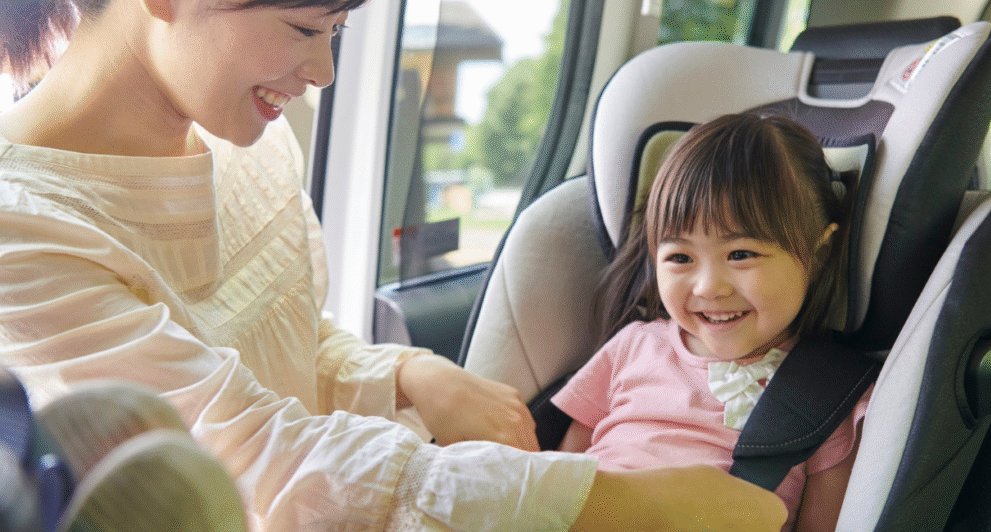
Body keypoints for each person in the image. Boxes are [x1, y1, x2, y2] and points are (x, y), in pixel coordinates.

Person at [0, 0, 788, 530]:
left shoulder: (253, 148)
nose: (324, 74)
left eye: (336, 32)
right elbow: (252, 459)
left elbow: (293, 349)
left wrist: (411, 375)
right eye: (307, 28)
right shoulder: (23, 231)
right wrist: (611, 503)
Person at [552, 113, 872, 532]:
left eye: (741, 254)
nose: (709, 287)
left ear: (820, 252)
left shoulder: (833, 394)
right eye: (680, 258)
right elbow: (557, 483)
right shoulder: (633, 346)